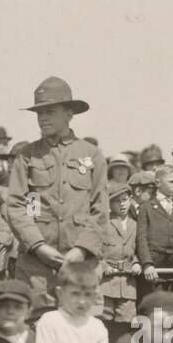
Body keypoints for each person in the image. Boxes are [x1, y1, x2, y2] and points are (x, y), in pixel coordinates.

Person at [7, 77, 108, 306]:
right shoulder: (26, 156)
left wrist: (82, 249)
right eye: (38, 113)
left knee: (81, 328)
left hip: (80, 265)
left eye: (49, 111)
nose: (42, 118)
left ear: (69, 114)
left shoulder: (92, 155)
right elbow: (16, 206)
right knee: (36, 329)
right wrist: (37, 245)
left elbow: (100, 209)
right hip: (36, 268)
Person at [135, 164, 173, 298]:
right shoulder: (146, 208)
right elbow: (141, 238)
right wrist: (147, 264)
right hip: (154, 270)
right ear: (158, 183)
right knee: (155, 310)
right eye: (171, 182)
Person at [100, 182, 140, 342]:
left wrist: (137, 263)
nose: (122, 204)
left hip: (128, 283)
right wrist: (103, 266)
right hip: (106, 283)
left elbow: (140, 249)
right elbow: (95, 249)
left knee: (126, 324)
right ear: (109, 203)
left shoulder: (136, 224)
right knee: (104, 321)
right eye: (117, 201)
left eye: (125, 199)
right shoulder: (104, 223)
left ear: (130, 200)